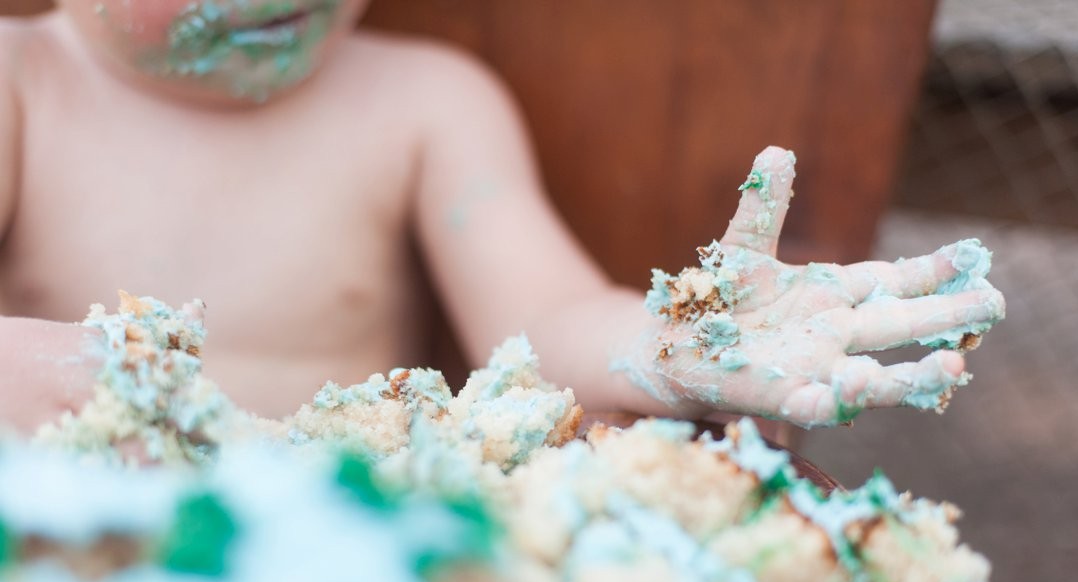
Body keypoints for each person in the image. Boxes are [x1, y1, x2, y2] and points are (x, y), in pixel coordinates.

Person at [0, 0, 1005, 435]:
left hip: (350, 551)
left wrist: (670, 345)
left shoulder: (423, 102)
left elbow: (545, 316)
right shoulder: (22, 89)